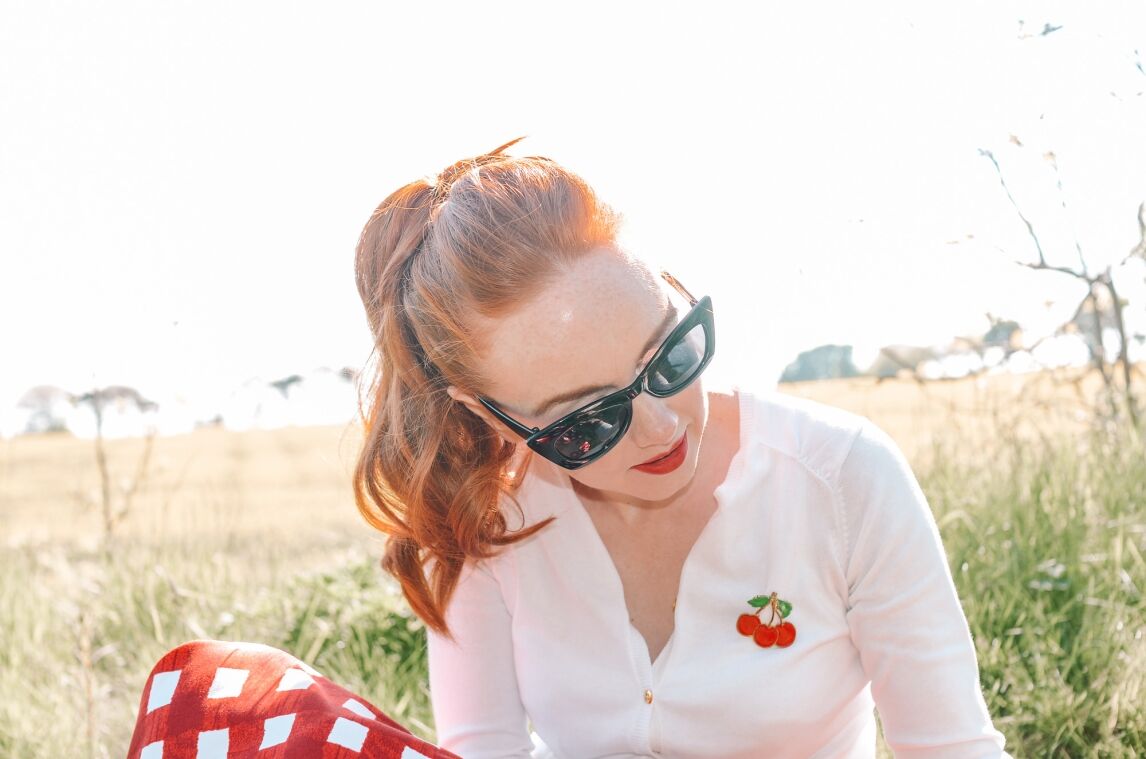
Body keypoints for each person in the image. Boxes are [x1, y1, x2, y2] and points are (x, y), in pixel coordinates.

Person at [348, 138, 1012, 758]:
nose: (661, 427)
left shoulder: (842, 478)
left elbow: (952, 745)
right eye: (588, 421)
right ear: (489, 416)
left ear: (674, 290)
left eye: (670, 355)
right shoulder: (482, 524)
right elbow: (483, 747)